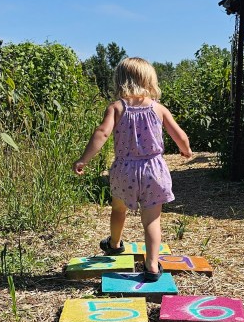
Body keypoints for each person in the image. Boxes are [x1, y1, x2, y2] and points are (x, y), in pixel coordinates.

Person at [73, 57, 192, 280]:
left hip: (124, 170)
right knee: (152, 220)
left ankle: (114, 244)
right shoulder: (159, 108)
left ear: (120, 80)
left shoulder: (116, 108)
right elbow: (179, 134)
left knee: (119, 209)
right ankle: (152, 266)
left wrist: (84, 159)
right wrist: (185, 150)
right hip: (153, 170)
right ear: (149, 80)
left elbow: (102, 133)